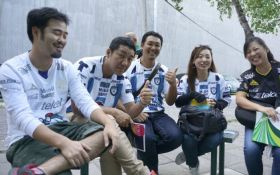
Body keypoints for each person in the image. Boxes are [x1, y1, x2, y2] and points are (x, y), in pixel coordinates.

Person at [0, 7, 119, 175]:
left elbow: (85, 101)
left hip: (61, 127)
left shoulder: (67, 67)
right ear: (36, 32)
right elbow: (22, 118)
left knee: (106, 134)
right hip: (25, 139)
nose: (62, 40)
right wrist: (65, 143)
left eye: (65, 35)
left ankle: (39, 171)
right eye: (56, 33)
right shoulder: (11, 69)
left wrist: (108, 123)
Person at [72, 36, 155, 175]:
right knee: (110, 124)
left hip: (103, 125)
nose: (125, 63)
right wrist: (114, 112)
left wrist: (142, 102)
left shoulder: (122, 78)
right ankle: (141, 172)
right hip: (73, 119)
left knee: (111, 141)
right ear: (109, 52)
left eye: (130, 59)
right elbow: (77, 108)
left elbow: (131, 112)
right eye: (121, 56)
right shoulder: (85, 66)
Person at [236, 36, 280, 175]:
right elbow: (239, 99)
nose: (253, 54)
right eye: (248, 52)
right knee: (251, 150)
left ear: (266, 49)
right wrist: (262, 109)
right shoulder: (247, 76)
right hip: (257, 121)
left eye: (256, 49)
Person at [125, 31, 182, 173]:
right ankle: (151, 170)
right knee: (147, 139)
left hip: (158, 114)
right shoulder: (130, 68)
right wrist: (134, 113)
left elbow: (170, 101)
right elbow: (120, 97)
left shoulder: (163, 70)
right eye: (150, 43)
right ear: (142, 45)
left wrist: (173, 85)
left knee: (176, 137)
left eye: (157, 45)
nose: (153, 47)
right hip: (138, 113)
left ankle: (143, 152)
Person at [174, 45, 231, 175]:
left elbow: (227, 99)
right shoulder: (186, 79)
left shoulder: (218, 78)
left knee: (214, 141)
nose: (204, 59)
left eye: (207, 56)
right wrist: (192, 95)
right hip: (190, 121)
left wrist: (216, 104)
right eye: (199, 56)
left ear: (211, 60)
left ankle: (189, 155)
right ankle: (193, 167)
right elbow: (177, 102)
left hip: (212, 122)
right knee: (188, 140)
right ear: (193, 61)